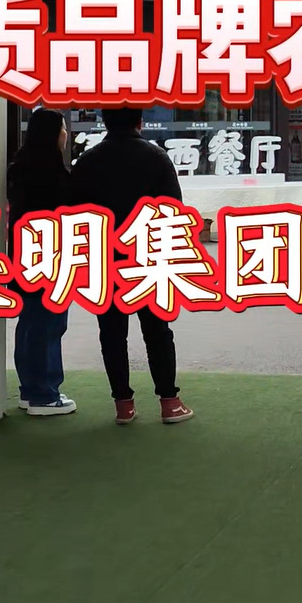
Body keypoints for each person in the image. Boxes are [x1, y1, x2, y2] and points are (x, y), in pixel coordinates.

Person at [69, 107, 194, 425]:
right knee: (157, 331)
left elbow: (74, 212)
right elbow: (174, 208)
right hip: (148, 256)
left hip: (104, 258)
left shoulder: (88, 161)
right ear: (140, 122)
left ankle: (123, 405)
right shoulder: (156, 157)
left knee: (111, 333)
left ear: (105, 122)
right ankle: (169, 402)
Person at [7, 108, 78, 416]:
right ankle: (43, 394)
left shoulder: (20, 167)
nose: (65, 135)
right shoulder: (52, 173)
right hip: (50, 256)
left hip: (24, 255)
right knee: (48, 324)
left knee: (31, 323)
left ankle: (30, 389)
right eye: (62, 129)